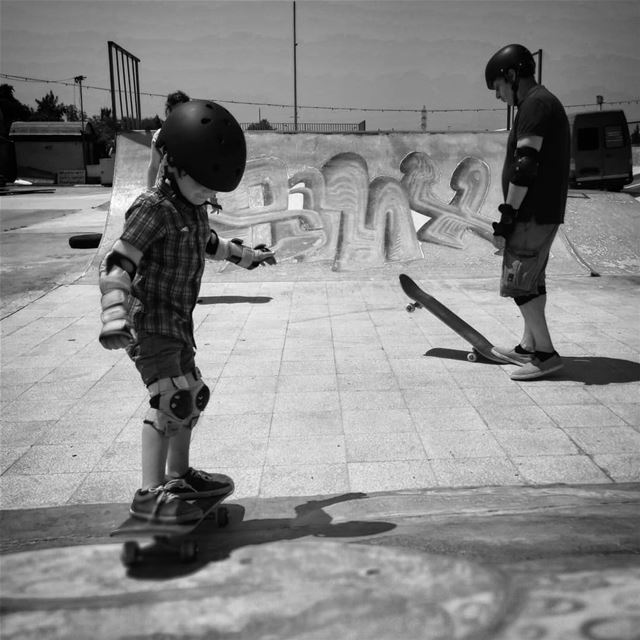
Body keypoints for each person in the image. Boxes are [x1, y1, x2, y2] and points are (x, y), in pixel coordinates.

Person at [98, 100, 276, 523]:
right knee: (168, 400)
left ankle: (178, 477)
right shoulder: (152, 208)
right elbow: (118, 262)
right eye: (202, 184)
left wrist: (247, 256)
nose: (209, 194)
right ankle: (147, 495)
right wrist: (113, 314)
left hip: (178, 324)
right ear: (173, 167)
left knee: (192, 398)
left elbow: (210, 244)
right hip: (148, 323)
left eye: (213, 188)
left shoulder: (192, 209)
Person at [485, 44, 570, 381]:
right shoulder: (542, 102)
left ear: (511, 74)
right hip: (542, 210)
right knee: (532, 281)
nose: (498, 96)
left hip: (532, 212)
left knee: (519, 281)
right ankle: (528, 346)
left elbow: (526, 167)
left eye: (498, 87)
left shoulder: (535, 105)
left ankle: (546, 355)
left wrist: (508, 216)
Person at [146, 90, 190, 189]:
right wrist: (149, 191)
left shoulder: (195, 133)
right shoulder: (160, 135)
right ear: (169, 111)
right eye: (176, 111)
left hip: (190, 191)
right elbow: (153, 166)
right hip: (166, 190)